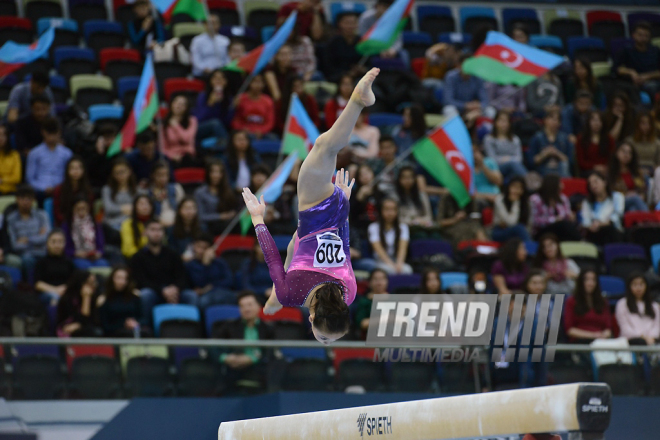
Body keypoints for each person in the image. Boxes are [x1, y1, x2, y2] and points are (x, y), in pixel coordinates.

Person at [241, 68, 381, 344]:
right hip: (316, 212)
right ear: (312, 318)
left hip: (332, 219)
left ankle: (271, 303)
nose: (324, 341)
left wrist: (343, 206)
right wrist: (258, 219)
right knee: (323, 147)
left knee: (295, 248)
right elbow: (271, 259)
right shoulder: (292, 295)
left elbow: (343, 248)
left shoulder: (349, 293)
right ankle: (357, 100)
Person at [129, 220, 197, 323]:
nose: (156, 233)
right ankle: (146, 329)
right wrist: (162, 290)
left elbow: (182, 276)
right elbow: (140, 281)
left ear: (164, 233)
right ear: (145, 232)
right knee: (145, 294)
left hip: (174, 292)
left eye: (160, 230)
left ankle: (194, 331)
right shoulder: (138, 257)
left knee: (191, 295)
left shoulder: (173, 254)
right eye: (152, 230)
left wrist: (175, 289)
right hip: (153, 292)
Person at [216, 291, 275, 394]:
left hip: (259, 370)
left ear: (258, 307)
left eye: (250, 305)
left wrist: (252, 359)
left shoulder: (268, 329)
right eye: (242, 306)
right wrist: (226, 358)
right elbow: (214, 346)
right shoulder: (228, 327)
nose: (246, 309)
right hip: (233, 369)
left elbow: (272, 351)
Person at [6, 185, 51, 280]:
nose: (26, 202)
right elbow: (15, 245)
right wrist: (38, 238)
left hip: (43, 251)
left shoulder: (42, 215)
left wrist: (27, 240)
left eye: (29, 199)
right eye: (22, 198)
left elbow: (47, 238)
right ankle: (31, 286)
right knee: (28, 260)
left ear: (33, 200)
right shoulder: (11, 219)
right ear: (16, 200)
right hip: (25, 255)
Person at [25, 117, 73, 203]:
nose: (52, 137)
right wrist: (43, 188)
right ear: (43, 132)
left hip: (61, 189)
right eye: (49, 134)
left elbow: (69, 175)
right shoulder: (34, 153)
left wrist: (58, 187)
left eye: (54, 134)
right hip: (40, 191)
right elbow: (30, 179)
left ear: (59, 133)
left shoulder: (67, 153)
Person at [185, 233, 235, 308]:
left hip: (220, 292)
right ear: (194, 247)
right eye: (198, 247)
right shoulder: (190, 265)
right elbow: (199, 283)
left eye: (205, 248)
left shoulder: (220, 263)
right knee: (204, 301)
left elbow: (229, 281)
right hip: (202, 296)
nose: (201, 251)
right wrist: (206, 265)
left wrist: (212, 286)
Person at [564, 270, 613, 343]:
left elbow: (608, 328)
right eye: (587, 280)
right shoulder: (571, 301)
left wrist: (604, 335)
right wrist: (593, 335)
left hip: (601, 342)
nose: (590, 283)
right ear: (581, 282)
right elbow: (570, 330)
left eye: (593, 280)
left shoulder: (603, 302)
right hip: (581, 341)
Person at [368, 198, 413, 275]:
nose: (390, 213)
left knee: (407, 270)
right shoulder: (373, 227)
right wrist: (391, 265)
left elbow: (403, 248)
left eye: (393, 209)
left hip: (396, 260)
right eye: (387, 209)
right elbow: (378, 250)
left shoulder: (403, 227)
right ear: (381, 211)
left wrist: (399, 264)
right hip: (379, 261)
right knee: (388, 270)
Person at [615, 21, 660, 98]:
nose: (643, 38)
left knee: (652, 87)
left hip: (653, 81)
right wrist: (631, 72)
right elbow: (617, 68)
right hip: (632, 82)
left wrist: (647, 76)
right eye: (640, 35)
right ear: (634, 35)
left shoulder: (656, 51)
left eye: (646, 36)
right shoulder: (627, 50)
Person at [529, 174, 581, 241]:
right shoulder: (535, 199)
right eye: (560, 183)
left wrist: (571, 217)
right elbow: (534, 221)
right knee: (563, 225)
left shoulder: (563, 198)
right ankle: (581, 241)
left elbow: (566, 215)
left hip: (561, 230)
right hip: (542, 232)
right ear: (553, 185)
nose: (563, 186)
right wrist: (553, 220)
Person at [98, 266, 147, 336]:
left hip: (134, 329)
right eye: (119, 278)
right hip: (115, 332)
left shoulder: (134, 297)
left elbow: (144, 319)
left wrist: (136, 323)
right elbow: (104, 325)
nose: (122, 282)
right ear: (112, 279)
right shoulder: (104, 299)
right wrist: (124, 324)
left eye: (125, 279)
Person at [61, 197, 108, 270]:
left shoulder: (95, 224)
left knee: (103, 264)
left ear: (88, 209)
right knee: (84, 266)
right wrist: (76, 253)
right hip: (76, 257)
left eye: (83, 208)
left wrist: (98, 253)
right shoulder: (67, 225)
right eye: (78, 209)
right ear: (73, 210)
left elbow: (101, 246)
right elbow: (65, 248)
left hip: (94, 257)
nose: (81, 212)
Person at [194, 159, 238, 235]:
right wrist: (220, 216)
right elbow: (200, 216)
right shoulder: (200, 192)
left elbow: (233, 210)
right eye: (213, 172)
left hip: (227, 224)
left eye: (219, 172)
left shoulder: (228, 191)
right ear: (208, 173)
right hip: (209, 226)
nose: (216, 175)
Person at [527, 109, 574, 177]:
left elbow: (570, 161)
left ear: (560, 123)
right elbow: (531, 161)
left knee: (564, 165)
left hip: (561, 171)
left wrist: (557, 153)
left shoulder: (565, 138)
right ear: (545, 120)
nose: (554, 122)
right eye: (551, 119)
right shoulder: (537, 138)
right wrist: (545, 153)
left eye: (556, 119)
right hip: (542, 171)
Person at [615, 273, 660, 345]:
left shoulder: (654, 306)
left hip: (652, 341)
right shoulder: (622, 304)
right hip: (631, 341)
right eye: (635, 285)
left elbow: (657, 327)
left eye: (641, 284)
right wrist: (642, 337)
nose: (638, 288)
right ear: (629, 287)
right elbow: (625, 328)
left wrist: (651, 338)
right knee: (639, 342)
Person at [582, 171, 625, 245]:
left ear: (604, 182)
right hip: (595, 232)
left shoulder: (617, 196)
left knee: (609, 230)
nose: (593, 185)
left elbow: (617, 215)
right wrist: (591, 226)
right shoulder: (587, 202)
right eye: (590, 184)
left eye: (596, 182)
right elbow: (586, 221)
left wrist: (603, 223)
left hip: (613, 230)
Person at [34, 229, 75, 306]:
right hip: (47, 293)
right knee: (54, 298)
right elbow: (38, 284)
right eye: (53, 242)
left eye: (60, 242)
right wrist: (55, 290)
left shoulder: (69, 262)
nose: (57, 245)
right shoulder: (41, 262)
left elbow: (74, 281)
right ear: (47, 243)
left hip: (65, 292)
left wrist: (65, 289)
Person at [442, 53, 489, 118]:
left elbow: (485, 100)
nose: (468, 68)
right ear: (458, 65)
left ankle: (483, 128)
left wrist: (478, 105)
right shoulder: (451, 77)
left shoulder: (478, 77)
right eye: (465, 65)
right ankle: (456, 128)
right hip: (458, 108)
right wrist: (465, 105)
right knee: (449, 109)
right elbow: (448, 100)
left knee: (490, 111)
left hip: (474, 109)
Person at [56, 270, 102, 337]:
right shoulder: (67, 299)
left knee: (95, 331)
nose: (94, 285)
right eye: (90, 283)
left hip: (86, 328)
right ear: (81, 283)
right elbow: (65, 321)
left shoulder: (93, 297)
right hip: (67, 329)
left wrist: (86, 298)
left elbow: (93, 321)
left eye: (94, 282)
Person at [193, 69, 232, 145]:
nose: (218, 80)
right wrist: (210, 104)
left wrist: (232, 108)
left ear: (226, 82)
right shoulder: (203, 96)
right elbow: (199, 118)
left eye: (221, 78)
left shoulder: (228, 98)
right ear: (211, 81)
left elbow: (227, 123)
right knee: (215, 123)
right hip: (201, 128)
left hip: (219, 130)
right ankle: (229, 149)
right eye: (215, 78)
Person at [483, 111, 526, 180]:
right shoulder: (489, 139)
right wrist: (508, 160)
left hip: (513, 168)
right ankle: (527, 181)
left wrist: (508, 159)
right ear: (495, 122)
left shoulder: (515, 139)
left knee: (514, 173)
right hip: (496, 168)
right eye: (501, 120)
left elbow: (519, 158)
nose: (503, 123)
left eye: (506, 121)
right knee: (513, 165)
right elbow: (491, 159)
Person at [608, 142, 649, 212]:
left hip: (635, 202)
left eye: (629, 153)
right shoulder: (610, 173)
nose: (626, 155)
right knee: (635, 199)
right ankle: (651, 219)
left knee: (633, 209)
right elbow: (610, 192)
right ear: (616, 153)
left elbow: (643, 189)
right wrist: (626, 195)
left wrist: (641, 195)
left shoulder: (637, 172)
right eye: (623, 151)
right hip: (618, 203)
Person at [231, 74, 275, 140]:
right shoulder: (240, 99)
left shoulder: (268, 101)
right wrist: (242, 129)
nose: (257, 85)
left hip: (262, 132)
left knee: (274, 138)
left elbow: (270, 122)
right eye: (255, 81)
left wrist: (262, 131)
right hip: (244, 131)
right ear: (249, 83)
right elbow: (235, 119)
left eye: (260, 82)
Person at [52, 156, 94, 226]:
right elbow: (57, 213)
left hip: (84, 224)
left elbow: (90, 212)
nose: (75, 171)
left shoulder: (88, 190)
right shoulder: (59, 190)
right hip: (65, 224)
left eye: (78, 168)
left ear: (83, 170)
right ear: (67, 171)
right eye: (72, 168)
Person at [102, 158, 139, 231]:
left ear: (129, 171)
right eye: (117, 173)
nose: (120, 175)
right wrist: (125, 208)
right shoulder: (107, 190)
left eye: (123, 172)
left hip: (132, 225)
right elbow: (109, 209)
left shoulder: (137, 190)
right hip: (112, 225)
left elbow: (139, 209)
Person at [162, 96, 198, 167]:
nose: (179, 106)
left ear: (186, 108)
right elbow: (163, 148)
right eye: (176, 103)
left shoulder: (192, 121)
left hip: (188, 156)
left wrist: (176, 125)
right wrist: (172, 156)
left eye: (182, 104)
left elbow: (187, 139)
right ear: (172, 104)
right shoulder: (164, 124)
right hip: (172, 158)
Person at [146, 161, 184, 228]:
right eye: (159, 175)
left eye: (165, 175)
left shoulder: (176, 188)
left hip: (177, 222)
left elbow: (183, 207)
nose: (163, 178)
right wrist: (154, 199)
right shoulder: (148, 192)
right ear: (153, 175)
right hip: (157, 224)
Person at [325, 13, 361, 83]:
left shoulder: (362, 42)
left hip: (359, 78)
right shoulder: (333, 42)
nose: (350, 26)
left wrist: (362, 69)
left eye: (353, 23)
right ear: (340, 24)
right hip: (337, 77)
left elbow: (367, 62)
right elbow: (328, 66)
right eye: (347, 23)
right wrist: (346, 74)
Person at [492, 176, 531, 243]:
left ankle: (529, 249)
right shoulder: (499, 199)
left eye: (520, 188)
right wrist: (515, 203)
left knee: (521, 229)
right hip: (500, 231)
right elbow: (511, 222)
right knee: (519, 228)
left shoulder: (526, 203)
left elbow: (529, 225)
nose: (516, 190)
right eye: (514, 187)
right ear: (508, 187)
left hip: (519, 233)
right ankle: (531, 251)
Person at [576, 111, 615, 175]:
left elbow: (612, 158)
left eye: (599, 121)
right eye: (594, 120)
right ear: (588, 122)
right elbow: (581, 162)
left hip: (606, 170)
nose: (596, 123)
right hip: (588, 171)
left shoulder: (609, 139)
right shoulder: (581, 139)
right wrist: (595, 167)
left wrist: (606, 168)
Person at [395, 166, 434, 230]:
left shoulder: (421, 195)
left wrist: (419, 220)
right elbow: (396, 218)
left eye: (410, 177)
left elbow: (429, 216)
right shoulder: (395, 197)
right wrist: (411, 221)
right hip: (405, 227)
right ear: (399, 179)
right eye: (404, 178)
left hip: (422, 225)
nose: (407, 180)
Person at [353, 269, 389, 339]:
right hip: (369, 340)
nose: (379, 282)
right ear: (369, 282)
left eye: (382, 279)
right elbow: (362, 323)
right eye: (375, 279)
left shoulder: (395, 299)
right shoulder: (364, 301)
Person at [120, 194, 155, 259]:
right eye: (141, 204)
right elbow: (127, 250)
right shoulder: (128, 224)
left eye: (148, 203)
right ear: (135, 207)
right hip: (135, 259)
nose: (145, 206)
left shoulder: (157, 223)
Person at [350, 164, 381, 232]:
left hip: (378, 228)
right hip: (360, 229)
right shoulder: (354, 193)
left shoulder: (380, 192)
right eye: (361, 174)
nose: (365, 176)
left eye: (367, 172)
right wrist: (359, 198)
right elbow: (351, 215)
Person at [0, 125, 21, 194]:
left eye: (3, 135)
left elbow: (17, 177)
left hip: (11, 190)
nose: (1, 138)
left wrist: (2, 180)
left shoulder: (14, 155)